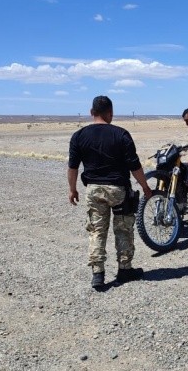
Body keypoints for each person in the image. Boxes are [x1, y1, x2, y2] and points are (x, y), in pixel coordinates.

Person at [68, 96, 152, 290]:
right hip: (118, 189)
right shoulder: (121, 134)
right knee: (123, 229)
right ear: (110, 113)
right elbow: (134, 165)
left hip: (94, 190)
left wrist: (72, 189)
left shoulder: (79, 136)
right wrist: (146, 187)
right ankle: (124, 269)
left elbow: (72, 167)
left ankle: (98, 274)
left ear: (91, 112)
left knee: (97, 230)